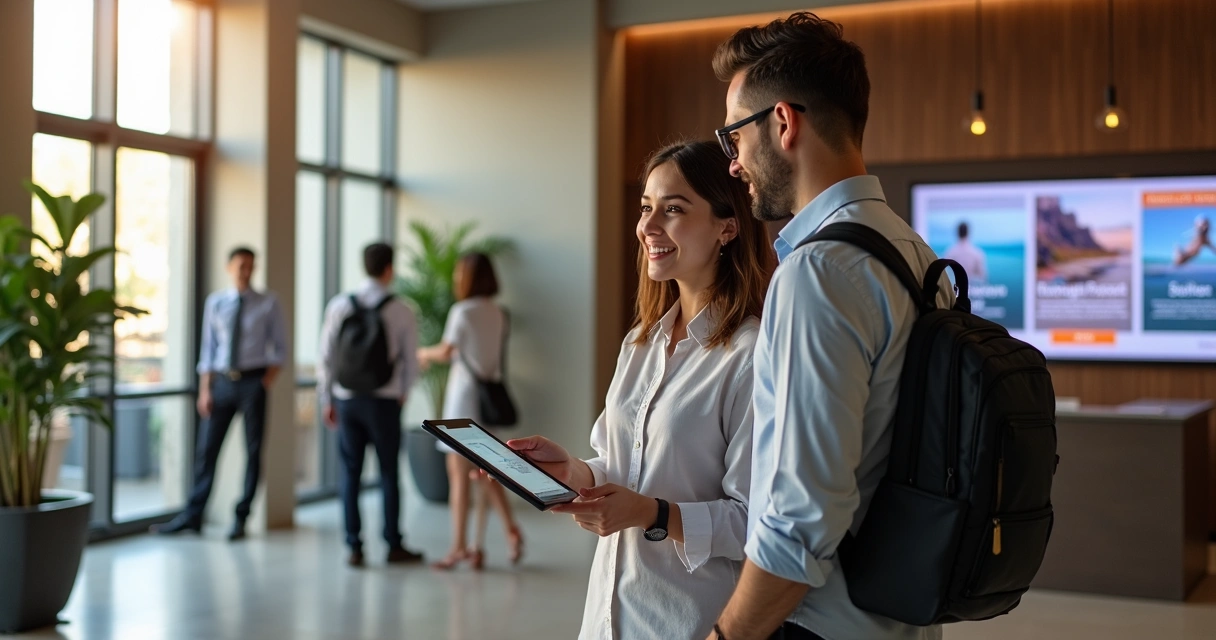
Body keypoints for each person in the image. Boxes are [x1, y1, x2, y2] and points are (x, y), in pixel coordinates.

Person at [708, 13, 949, 640]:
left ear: (783, 123)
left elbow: (798, 522)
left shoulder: (818, 271)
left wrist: (726, 636)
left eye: (734, 136)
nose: (733, 163)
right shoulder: (915, 255)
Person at [506, 140, 774, 639]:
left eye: (673, 209)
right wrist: (573, 471)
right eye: (647, 207)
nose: (648, 227)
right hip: (607, 619)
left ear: (727, 227)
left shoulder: (750, 355)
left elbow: (755, 524)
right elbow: (621, 465)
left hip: (686, 622)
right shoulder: (640, 343)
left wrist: (652, 514)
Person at [153, 246, 286, 541]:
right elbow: (209, 350)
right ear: (229, 267)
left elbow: (280, 350)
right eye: (241, 266)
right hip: (222, 384)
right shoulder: (216, 303)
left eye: (251, 266)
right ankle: (193, 515)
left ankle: (241, 517)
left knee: (253, 452)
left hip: (253, 382)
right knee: (207, 451)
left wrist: (264, 382)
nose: (246, 271)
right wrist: (205, 390)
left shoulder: (268, 303)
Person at [317, 242, 423, 567]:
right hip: (384, 402)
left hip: (346, 400)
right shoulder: (401, 309)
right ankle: (393, 544)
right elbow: (411, 361)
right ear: (389, 269)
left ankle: (354, 546)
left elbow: (326, 357)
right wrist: (402, 393)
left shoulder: (339, 305)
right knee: (389, 472)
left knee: (350, 473)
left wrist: (327, 398)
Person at [417, 253, 524, 571]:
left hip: (463, 400)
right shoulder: (498, 312)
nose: (455, 278)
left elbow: (446, 351)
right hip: (487, 402)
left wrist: (422, 352)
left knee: (459, 475)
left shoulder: (462, 311)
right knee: (488, 474)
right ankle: (505, 533)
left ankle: (459, 547)